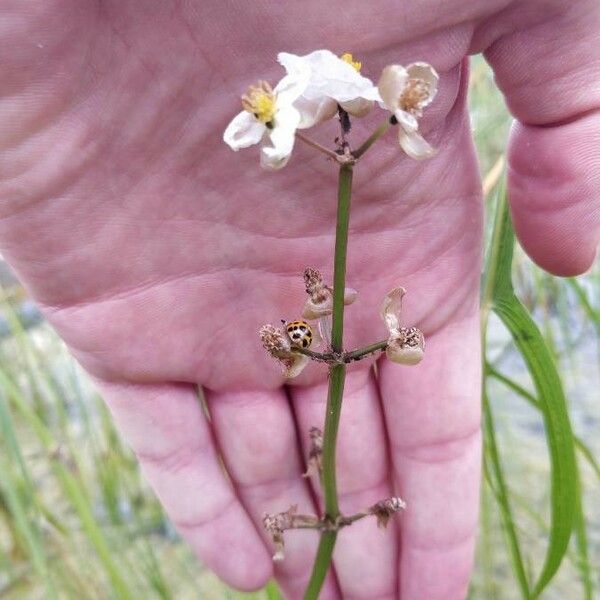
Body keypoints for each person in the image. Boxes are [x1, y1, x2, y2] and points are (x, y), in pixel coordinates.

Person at [1, 2, 598, 599]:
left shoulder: (369, 111)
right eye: (263, 108)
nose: (262, 108)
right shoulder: (281, 112)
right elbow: (273, 127)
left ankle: (338, 509)